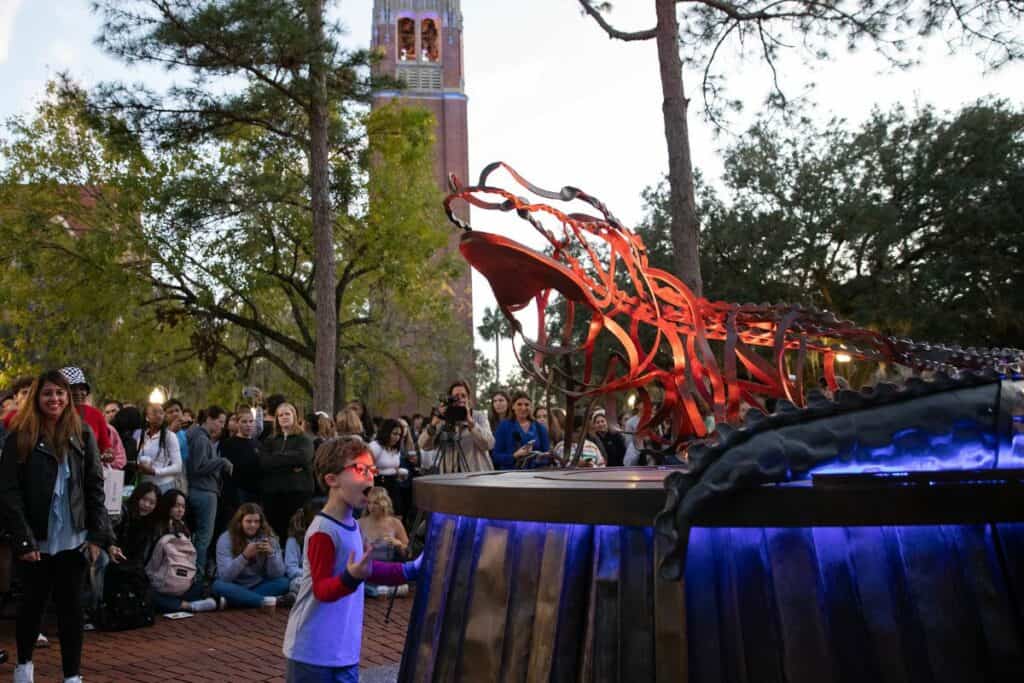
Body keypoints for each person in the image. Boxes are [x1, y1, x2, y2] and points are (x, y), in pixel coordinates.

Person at [0, 370, 123, 683]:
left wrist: (97, 536)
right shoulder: (20, 435)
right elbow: (9, 492)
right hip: (36, 539)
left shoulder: (82, 433)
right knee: (32, 607)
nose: (54, 399)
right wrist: (23, 539)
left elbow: (95, 487)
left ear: (68, 397)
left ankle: (72, 675)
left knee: (71, 610)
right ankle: (24, 664)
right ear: (37, 398)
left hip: (74, 537)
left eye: (60, 393)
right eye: (47, 393)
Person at [281, 437, 422, 682]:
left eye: (372, 471)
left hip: (344, 650)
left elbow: (367, 569)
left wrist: (411, 570)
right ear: (332, 479)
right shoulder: (323, 530)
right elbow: (322, 589)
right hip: (312, 652)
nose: (370, 479)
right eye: (360, 469)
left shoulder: (354, 525)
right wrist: (351, 577)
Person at [146, 489, 221, 613]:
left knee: (204, 586)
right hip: (159, 583)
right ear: (167, 506)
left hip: (180, 583)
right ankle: (188, 606)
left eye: (183, 506)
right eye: (176, 506)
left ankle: (179, 603)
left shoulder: (184, 528)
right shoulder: (157, 527)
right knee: (148, 595)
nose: (180, 510)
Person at [212, 503, 292, 609]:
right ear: (240, 522)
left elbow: (277, 575)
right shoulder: (225, 539)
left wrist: (271, 554)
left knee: (284, 582)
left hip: (259, 585)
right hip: (234, 585)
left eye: (256, 521)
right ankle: (267, 602)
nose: (253, 525)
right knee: (219, 585)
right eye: (248, 521)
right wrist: (244, 556)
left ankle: (235, 602)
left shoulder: (269, 537)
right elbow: (225, 576)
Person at [186, 406, 233, 579]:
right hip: (204, 491)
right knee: (204, 538)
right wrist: (221, 462)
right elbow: (198, 467)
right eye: (220, 421)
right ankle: (198, 576)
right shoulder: (201, 439)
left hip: (202, 490)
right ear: (209, 419)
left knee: (200, 537)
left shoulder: (199, 437)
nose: (222, 426)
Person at [259, 401, 315, 543]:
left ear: (294, 416)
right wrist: (290, 462)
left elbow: (303, 458)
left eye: (287, 414)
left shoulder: (304, 439)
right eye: (280, 415)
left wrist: (275, 459)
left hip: (297, 493)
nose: (284, 417)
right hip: (273, 494)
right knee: (275, 532)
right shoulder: (270, 440)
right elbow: (264, 462)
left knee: (297, 531)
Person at [418, 380, 495, 473]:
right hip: (450, 477)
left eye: (463, 396)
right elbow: (424, 446)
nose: (460, 400)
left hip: (475, 475)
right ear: (449, 400)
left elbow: (489, 444)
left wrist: (471, 424)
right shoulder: (443, 420)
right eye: (456, 397)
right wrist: (433, 424)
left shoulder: (478, 416)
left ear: (468, 399)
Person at [358, 487, 410, 598]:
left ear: (384, 503)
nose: (371, 507)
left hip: (388, 571)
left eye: (375, 503)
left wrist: (398, 544)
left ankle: (381, 591)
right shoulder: (359, 523)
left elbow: (407, 553)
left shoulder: (395, 523)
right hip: (367, 571)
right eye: (369, 503)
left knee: (403, 586)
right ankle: (381, 591)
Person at [492, 391, 551, 470]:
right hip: (510, 475)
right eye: (519, 404)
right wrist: (515, 455)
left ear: (531, 407)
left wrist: (535, 456)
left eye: (527, 405)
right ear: (513, 406)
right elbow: (496, 457)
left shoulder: (539, 428)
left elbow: (547, 456)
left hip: (535, 474)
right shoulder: (504, 427)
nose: (523, 408)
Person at [136, 402, 184, 493]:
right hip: (145, 486)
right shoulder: (142, 437)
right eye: (155, 412)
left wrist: (155, 471)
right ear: (147, 417)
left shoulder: (170, 436)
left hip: (163, 486)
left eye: (161, 413)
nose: (159, 416)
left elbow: (178, 467)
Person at [221, 409, 262, 508]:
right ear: (237, 423)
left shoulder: (258, 444)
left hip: (255, 491)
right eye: (244, 422)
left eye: (251, 421)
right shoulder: (229, 444)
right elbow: (226, 471)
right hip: (237, 491)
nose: (248, 425)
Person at [367, 419, 407, 518]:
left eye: (399, 435)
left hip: (394, 483)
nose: (397, 437)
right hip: (379, 483)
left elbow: (395, 466)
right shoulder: (375, 446)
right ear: (386, 432)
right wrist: (377, 474)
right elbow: (367, 466)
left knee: (398, 514)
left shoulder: (396, 448)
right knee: (381, 515)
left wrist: (399, 473)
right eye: (394, 434)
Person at [284, 501, 320, 595]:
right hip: (305, 578)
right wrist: (311, 574)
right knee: (295, 583)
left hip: (324, 578)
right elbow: (291, 569)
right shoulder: (294, 540)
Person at [162, 399, 191, 467]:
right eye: (170, 412)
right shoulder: (161, 433)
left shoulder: (185, 433)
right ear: (165, 416)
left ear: (182, 413)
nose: (175, 414)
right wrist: (172, 431)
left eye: (177, 410)